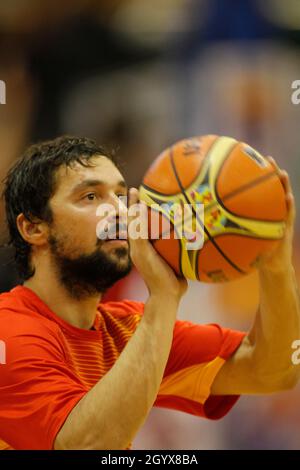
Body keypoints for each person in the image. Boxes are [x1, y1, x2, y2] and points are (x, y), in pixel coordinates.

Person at [0, 135, 299, 450]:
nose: (118, 211)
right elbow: (86, 445)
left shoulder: (130, 330)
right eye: (90, 196)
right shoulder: (8, 332)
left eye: (120, 195)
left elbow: (273, 371)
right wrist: (163, 298)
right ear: (33, 228)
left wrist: (275, 264)